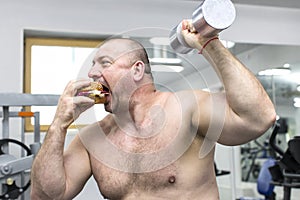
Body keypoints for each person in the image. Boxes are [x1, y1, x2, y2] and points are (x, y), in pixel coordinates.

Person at [30, 19, 276, 200]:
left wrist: (209, 43)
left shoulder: (186, 109)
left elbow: (260, 118)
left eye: (104, 63)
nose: (92, 73)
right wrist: (59, 124)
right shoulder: (91, 138)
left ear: (136, 71)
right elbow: (46, 197)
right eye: (92, 65)